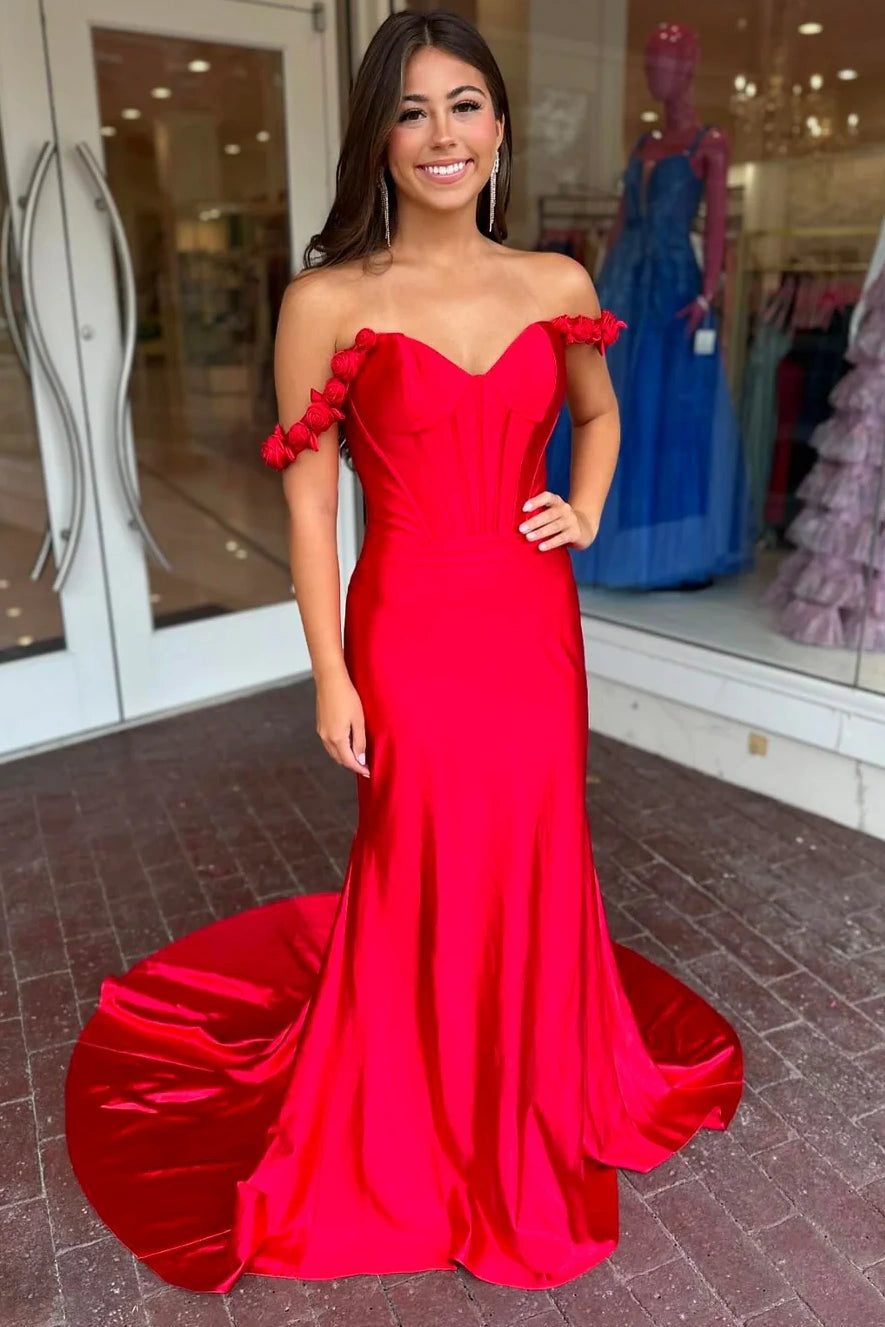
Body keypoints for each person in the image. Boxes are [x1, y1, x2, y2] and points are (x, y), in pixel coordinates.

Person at [64, 9, 744, 1296]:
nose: (443, 135)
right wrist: (330, 670)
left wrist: (585, 508)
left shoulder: (557, 284)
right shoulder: (326, 300)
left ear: (499, 126)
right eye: (413, 110)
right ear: (379, 135)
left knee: (536, 836)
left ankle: (538, 1082)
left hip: (531, 615)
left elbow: (598, 416)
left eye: (466, 105)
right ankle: (419, 1106)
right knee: (423, 847)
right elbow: (311, 504)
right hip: (411, 621)